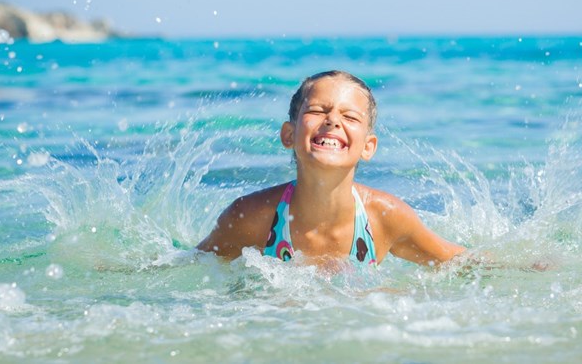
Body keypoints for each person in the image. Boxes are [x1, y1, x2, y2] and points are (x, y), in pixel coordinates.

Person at [197, 70, 465, 266]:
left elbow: (456, 262)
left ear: (368, 147)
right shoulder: (252, 217)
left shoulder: (384, 218)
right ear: (289, 135)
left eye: (349, 116)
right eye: (317, 111)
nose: (333, 121)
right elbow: (190, 267)